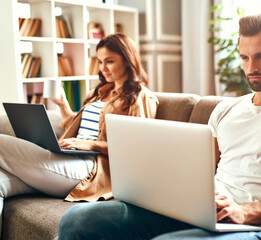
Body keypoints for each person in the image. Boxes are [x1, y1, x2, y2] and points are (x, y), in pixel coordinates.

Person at [58, 13, 261, 240]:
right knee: (79, 221)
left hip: (258, 228)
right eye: (244, 57)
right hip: (204, 212)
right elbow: (199, 170)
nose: (251, 66)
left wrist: (244, 211)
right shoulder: (226, 109)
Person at [0, 33, 158, 234]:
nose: (103, 68)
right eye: (100, 62)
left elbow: (138, 149)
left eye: (110, 61)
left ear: (128, 60)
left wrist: (91, 145)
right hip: (71, 157)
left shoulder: (141, 98)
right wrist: (63, 106)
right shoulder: (99, 92)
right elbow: (80, 126)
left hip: (92, 167)